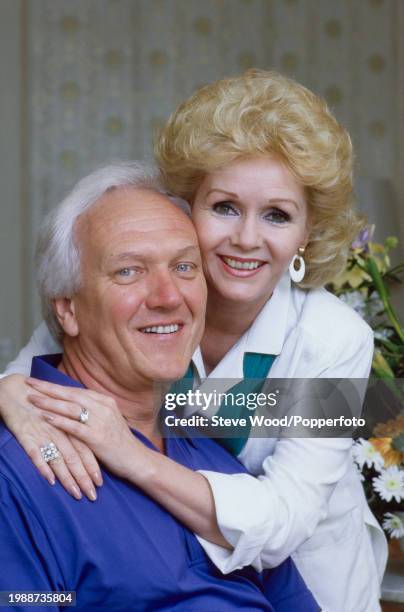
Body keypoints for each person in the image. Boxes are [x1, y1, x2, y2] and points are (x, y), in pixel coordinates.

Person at [0, 70, 387, 611]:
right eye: (225, 207)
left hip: (305, 572)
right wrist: (11, 397)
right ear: (186, 207)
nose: (246, 239)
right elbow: (32, 371)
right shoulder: (132, 305)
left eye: (277, 215)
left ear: (307, 234)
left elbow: (283, 523)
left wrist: (127, 453)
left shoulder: (331, 340)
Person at [0, 163, 319, 612]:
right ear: (68, 310)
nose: (169, 296)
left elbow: (287, 536)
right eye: (129, 272)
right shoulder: (23, 469)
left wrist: (135, 458)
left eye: (184, 266)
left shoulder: (206, 443)